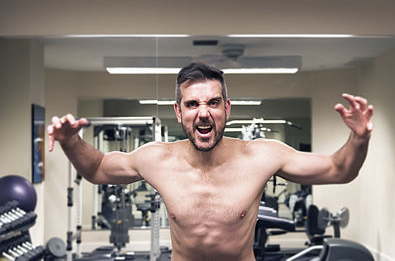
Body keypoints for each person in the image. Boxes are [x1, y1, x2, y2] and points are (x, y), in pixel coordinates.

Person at [48, 62, 373, 261]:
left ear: (226, 109)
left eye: (213, 103)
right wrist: (70, 141)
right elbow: (96, 169)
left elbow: (339, 169)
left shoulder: (262, 156)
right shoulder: (157, 159)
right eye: (192, 104)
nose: (203, 112)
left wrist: (359, 139)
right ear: (179, 111)